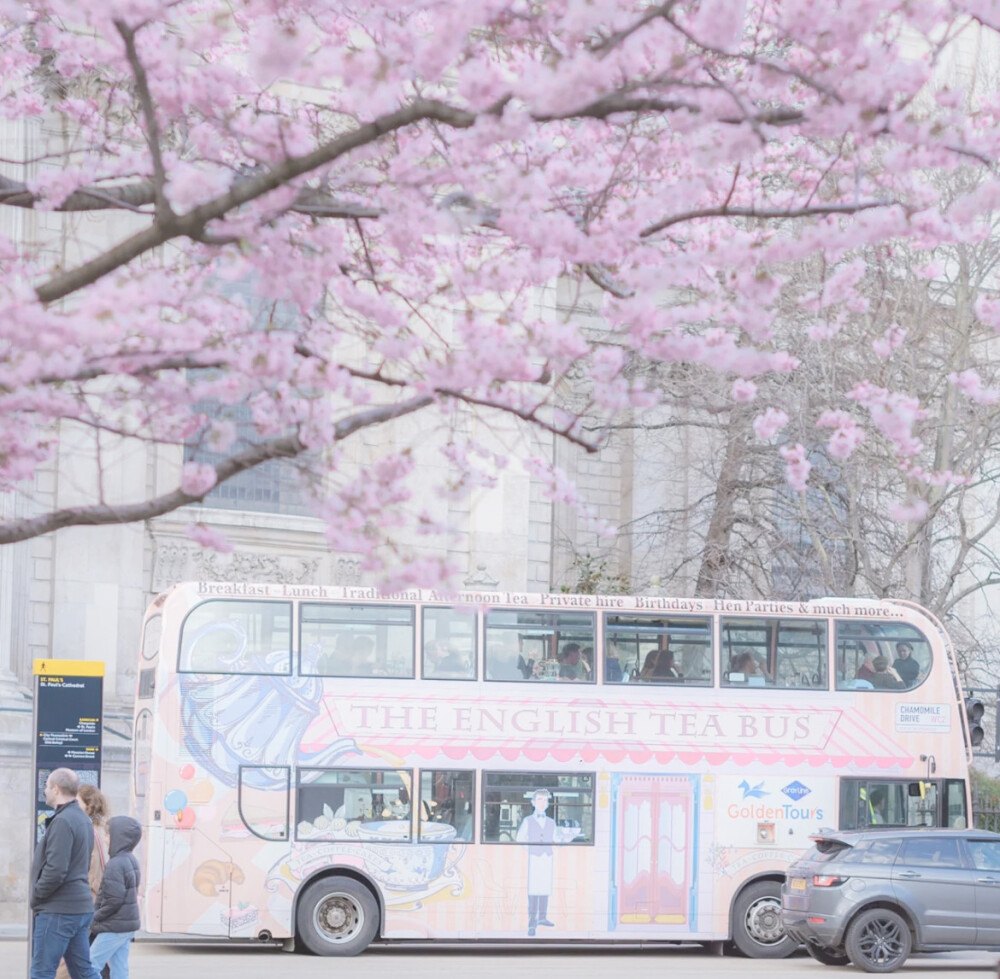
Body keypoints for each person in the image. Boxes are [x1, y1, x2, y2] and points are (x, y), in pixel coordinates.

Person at [30, 768, 102, 979]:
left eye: (46, 787)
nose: (45, 792)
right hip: (78, 908)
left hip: (58, 910)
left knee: (42, 972)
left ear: (56, 789)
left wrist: (37, 896)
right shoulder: (83, 820)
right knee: (83, 971)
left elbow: (56, 870)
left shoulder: (63, 821)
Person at [56, 785, 110, 979]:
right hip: (93, 903)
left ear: (89, 806)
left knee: (69, 956)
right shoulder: (97, 830)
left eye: (77, 802)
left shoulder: (88, 831)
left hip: (85, 903)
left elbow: (92, 873)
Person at [89, 816, 142, 979]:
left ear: (120, 838)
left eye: (108, 835)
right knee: (119, 968)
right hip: (126, 926)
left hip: (113, 926)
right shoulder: (131, 860)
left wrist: (94, 917)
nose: (105, 839)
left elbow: (113, 900)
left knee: (89, 966)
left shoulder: (116, 864)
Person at [515, 789, 557, 936]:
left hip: (547, 858)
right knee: (533, 890)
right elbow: (519, 839)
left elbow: (557, 840)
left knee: (545, 888)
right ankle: (532, 922)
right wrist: (530, 848)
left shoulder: (552, 822)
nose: (542, 803)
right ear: (533, 802)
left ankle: (543, 917)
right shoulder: (528, 821)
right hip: (534, 858)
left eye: (545, 800)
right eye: (539, 799)